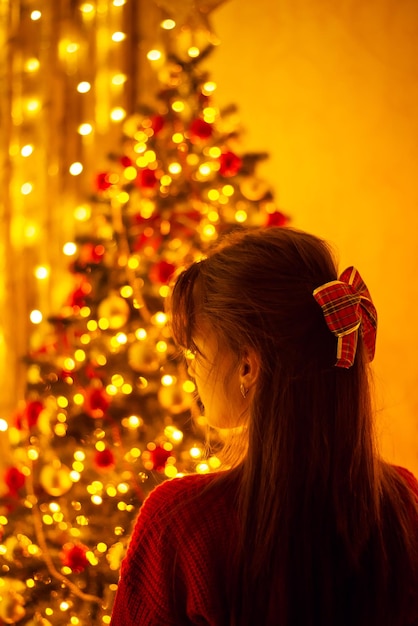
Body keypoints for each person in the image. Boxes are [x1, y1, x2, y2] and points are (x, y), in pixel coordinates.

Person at [110, 226, 418, 626]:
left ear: (247, 365)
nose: (189, 366)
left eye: (195, 349)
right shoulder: (402, 502)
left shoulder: (181, 523)